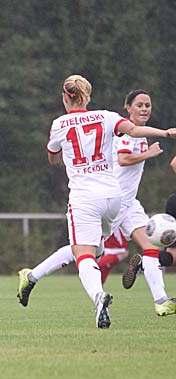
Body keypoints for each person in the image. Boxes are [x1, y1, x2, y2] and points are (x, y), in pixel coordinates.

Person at [25, 77, 176, 328]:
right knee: (106, 249)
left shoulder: (59, 124)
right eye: (140, 105)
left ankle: (98, 296)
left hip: (90, 197)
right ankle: (160, 299)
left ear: (65, 97)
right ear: (88, 96)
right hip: (114, 197)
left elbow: (53, 158)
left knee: (84, 252)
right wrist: (165, 132)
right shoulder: (107, 117)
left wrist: (69, 153)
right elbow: (132, 133)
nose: (144, 109)